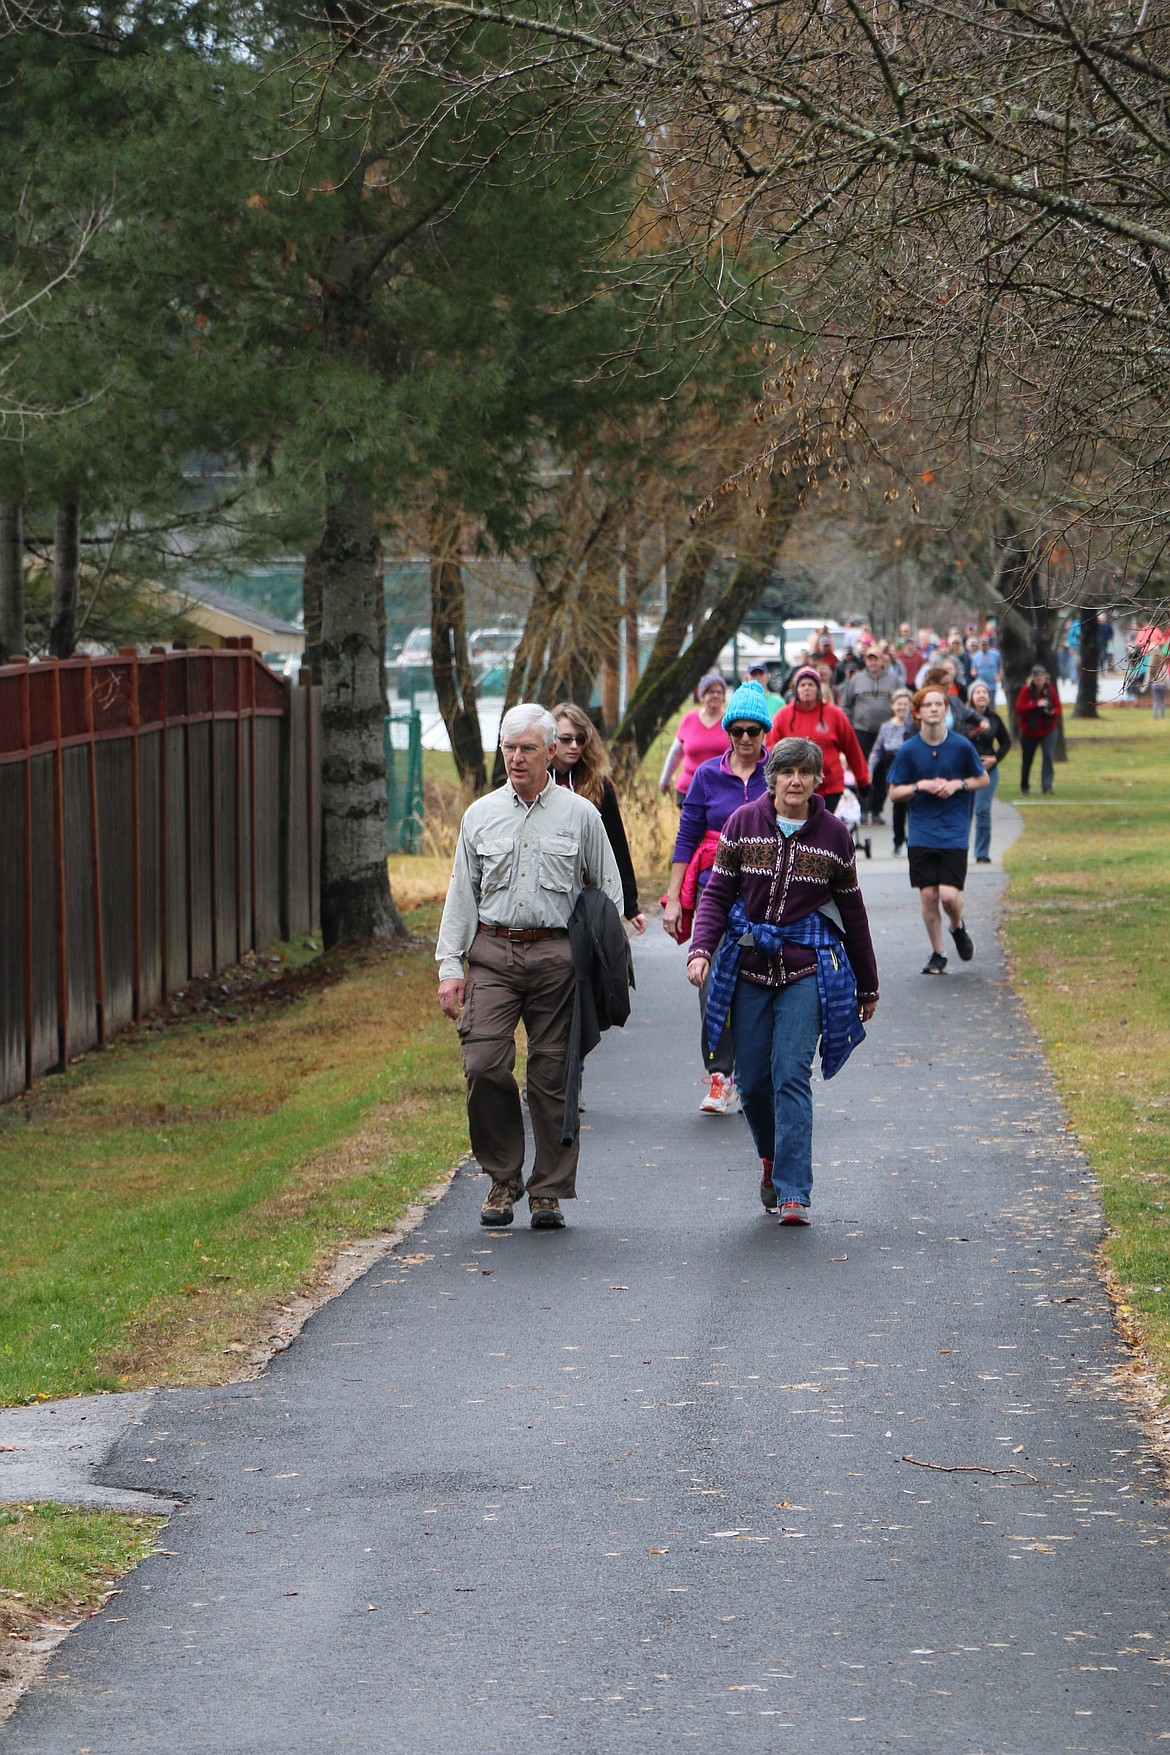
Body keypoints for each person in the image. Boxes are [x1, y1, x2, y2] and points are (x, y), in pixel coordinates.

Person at [436, 703, 623, 1230]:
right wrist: (450, 967)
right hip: (493, 953)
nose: (516, 758)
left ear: (550, 752)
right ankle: (503, 1177)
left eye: (527, 749)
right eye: (508, 748)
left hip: (557, 957)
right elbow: (460, 898)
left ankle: (548, 1192)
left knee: (551, 1075)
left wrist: (601, 965)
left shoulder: (580, 815)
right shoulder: (480, 816)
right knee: (484, 1064)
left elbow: (608, 892)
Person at [686, 738, 878, 1222]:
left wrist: (867, 984)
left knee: (791, 1072)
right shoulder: (742, 824)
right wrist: (701, 948)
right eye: (787, 771)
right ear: (772, 777)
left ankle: (794, 1191)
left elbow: (853, 912)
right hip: (749, 967)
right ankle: (770, 1160)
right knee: (751, 1082)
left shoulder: (833, 834)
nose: (795, 780)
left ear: (818, 780)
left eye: (805, 773)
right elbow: (716, 895)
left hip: (805, 967)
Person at [662, 681, 772, 1115]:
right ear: (727, 731)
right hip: (714, 888)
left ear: (765, 732)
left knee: (759, 983)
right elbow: (686, 838)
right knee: (708, 979)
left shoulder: (778, 772)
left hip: (766, 893)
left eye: (753, 731)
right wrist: (673, 899)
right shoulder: (708, 775)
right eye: (737, 731)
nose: (745, 739)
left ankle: (751, 1073)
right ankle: (720, 1075)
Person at [887, 684, 989, 975]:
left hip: (954, 830)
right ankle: (938, 953)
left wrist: (958, 784)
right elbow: (894, 793)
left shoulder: (960, 746)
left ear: (946, 711)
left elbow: (981, 779)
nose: (934, 709)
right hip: (921, 831)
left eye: (939, 704)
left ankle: (957, 926)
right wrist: (920, 786)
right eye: (928, 705)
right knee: (928, 895)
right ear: (917, 713)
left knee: (948, 896)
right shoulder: (909, 750)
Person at [550, 702, 646, 934]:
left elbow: (617, 845)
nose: (574, 746)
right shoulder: (534, 784)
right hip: (548, 893)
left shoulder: (599, 785)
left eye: (581, 739)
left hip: (588, 893)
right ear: (550, 741)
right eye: (566, 739)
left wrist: (630, 906)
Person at [767, 665, 870, 812]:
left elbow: (852, 748)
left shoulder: (835, 715)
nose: (806, 689)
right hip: (794, 786)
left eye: (811, 685)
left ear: (818, 689)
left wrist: (862, 780)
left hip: (829, 786)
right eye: (802, 685)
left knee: (821, 829)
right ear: (796, 690)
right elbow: (771, 749)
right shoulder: (783, 716)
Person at [838, 646, 900, 820]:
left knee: (882, 772)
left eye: (876, 658)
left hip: (886, 731)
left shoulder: (893, 680)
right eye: (869, 658)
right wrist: (848, 726)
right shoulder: (856, 680)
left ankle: (877, 810)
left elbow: (903, 701)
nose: (873, 662)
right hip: (862, 731)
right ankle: (862, 808)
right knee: (862, 769)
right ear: (865, 660)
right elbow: (846, 706)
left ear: (882, 660)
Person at [658, 673, 729, 806]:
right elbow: (676, 752)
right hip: (688, 789)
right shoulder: (689, 719)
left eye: (719, 692)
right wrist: (664, 780)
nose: (715, 695)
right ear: (702, 696)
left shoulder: (730, 721)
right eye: (710, 691)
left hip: (721, 789)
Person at [964, 679, 1012, 862]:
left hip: (987, 771)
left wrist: (995, 759)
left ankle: (982, 853)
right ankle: (959, 851)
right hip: (966, 770)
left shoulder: (994, 718)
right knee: (965, 813)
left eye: (985, 692)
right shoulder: (964, 717)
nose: (982, 695)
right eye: (978, 692)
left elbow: (1006, 743)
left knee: (983, 811)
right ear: (971, 697)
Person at [868, 687, 913, 850]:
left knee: (914, 807)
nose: (902, 707)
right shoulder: (886, 726)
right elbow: (877, 751)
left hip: (914, 769)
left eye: (905, 704)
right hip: (894, 770)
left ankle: (914, 839)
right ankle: (898, 840)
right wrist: (870, 771)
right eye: (899, 704)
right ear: (893, 706)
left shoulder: (915, 726)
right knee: (898, 807)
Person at [1014, 665, 1062, 795]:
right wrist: (1035, 704)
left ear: (1046, 678)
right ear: (1032, 678)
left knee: (1048, 756)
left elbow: (1058, 708)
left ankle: (1047, 786)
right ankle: (1025, 786)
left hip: (1048, 729)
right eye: (1036, 678)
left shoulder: (1050, 690)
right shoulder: (1026, 691)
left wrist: (1052, 712)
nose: (1039, 680)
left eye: (1042, 678)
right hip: (1029, 730)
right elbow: (1019, 709)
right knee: (1027, 758)